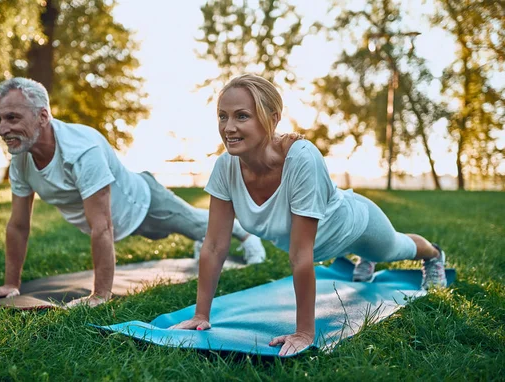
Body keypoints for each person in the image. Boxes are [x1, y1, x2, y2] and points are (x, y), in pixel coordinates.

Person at [171, 74, 447, 356]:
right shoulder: (225, 168)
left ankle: (433, 255)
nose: (228, 127)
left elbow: (300, 254)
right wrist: (200, 315)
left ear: (272, 117)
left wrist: (304, 332)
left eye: (242, 116)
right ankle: (367, 258)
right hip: (319, 243)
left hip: (354, 225)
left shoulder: (301, 157)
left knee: (396, 247)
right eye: (222, 116)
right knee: (374, 252)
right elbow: (215, 245)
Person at [0, 77, 266, 308]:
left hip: (144, 202)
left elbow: (101, 226)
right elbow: (18, 225)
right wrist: (10, 283)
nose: (3, 129)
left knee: (192, 222)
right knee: (194, 230)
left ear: (42, 116)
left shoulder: (81, 150)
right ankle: (204, 239)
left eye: (13, 118)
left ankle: (246, 235)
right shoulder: (21, 159)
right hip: (115, 221)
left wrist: (101, 295)